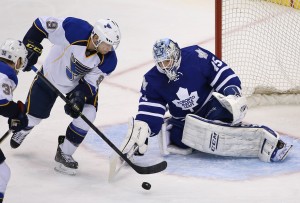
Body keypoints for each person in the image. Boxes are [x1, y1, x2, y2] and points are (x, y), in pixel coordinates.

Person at [117, 38, 292, 163]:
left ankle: (251, 136)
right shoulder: (152, 80)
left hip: (210, 107)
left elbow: (221, 72)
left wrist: (232, 92)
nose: (165, 67)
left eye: (168, 61)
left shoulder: (196, 56)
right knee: (179, 137)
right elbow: (151, 108)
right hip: (184, 121)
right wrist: (144, 130)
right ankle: (174, 130)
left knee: (220, 118)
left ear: (176, 54)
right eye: (161, 64)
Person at [10, 16, 121, 175]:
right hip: (50, 76)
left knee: (88, 114)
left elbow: (90, 83)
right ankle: (24, 129)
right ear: (95, 38)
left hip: (75, 85)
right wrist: (31, 46)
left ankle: (65, 152)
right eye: (107, 43)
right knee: (34, 117)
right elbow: (41, 24)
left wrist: (79, 96)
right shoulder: (74, 29)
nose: (109, 48)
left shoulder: (109, 60)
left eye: (112, 44)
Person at [0, 38, 28, 202]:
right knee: (2, 173)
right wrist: (17, 112)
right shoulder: (6, 75)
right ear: (17, 60)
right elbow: (2, 104)